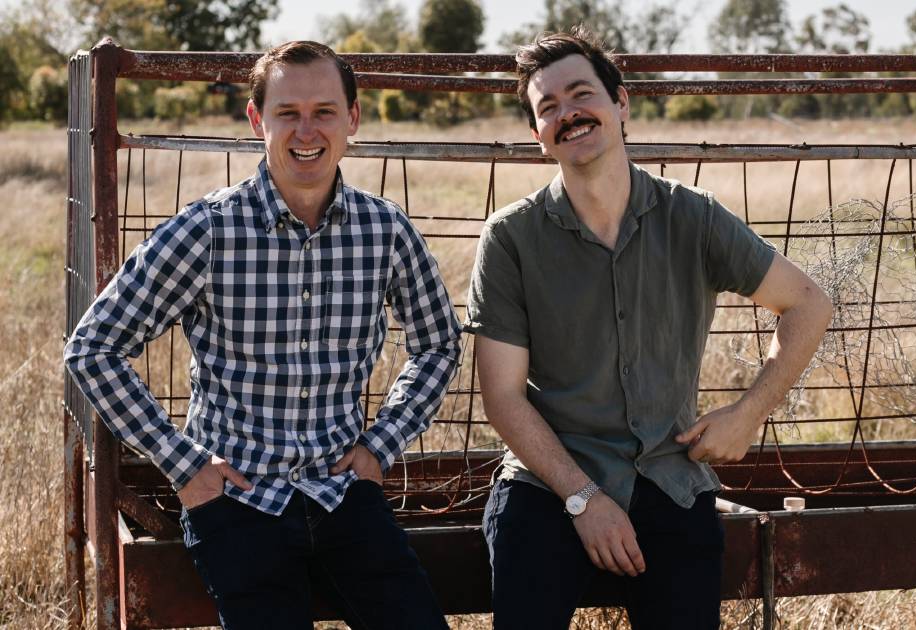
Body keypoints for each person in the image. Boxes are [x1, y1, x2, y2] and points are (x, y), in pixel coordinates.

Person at [64, 41, 459, 630]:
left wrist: (382, 443)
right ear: (257, 120)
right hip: (237, 500)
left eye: (324, 111)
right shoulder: (208, 231)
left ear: (352, 119)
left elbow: (438, 345)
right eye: (288, 113)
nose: (307, 130)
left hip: (341, 489)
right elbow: (93, 347)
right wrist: (185, 464)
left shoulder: (386, 230)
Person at [465, 27, 834, 630]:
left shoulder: (692, 217)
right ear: (538, 137)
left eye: (581, 94)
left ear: (620, 104)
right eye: (548, 107)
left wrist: (748, 412)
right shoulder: (511, 238)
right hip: (550, 483)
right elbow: (503, 398)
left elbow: (809, 304)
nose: (568, 114)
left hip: (668, 478)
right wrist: (584, 499)